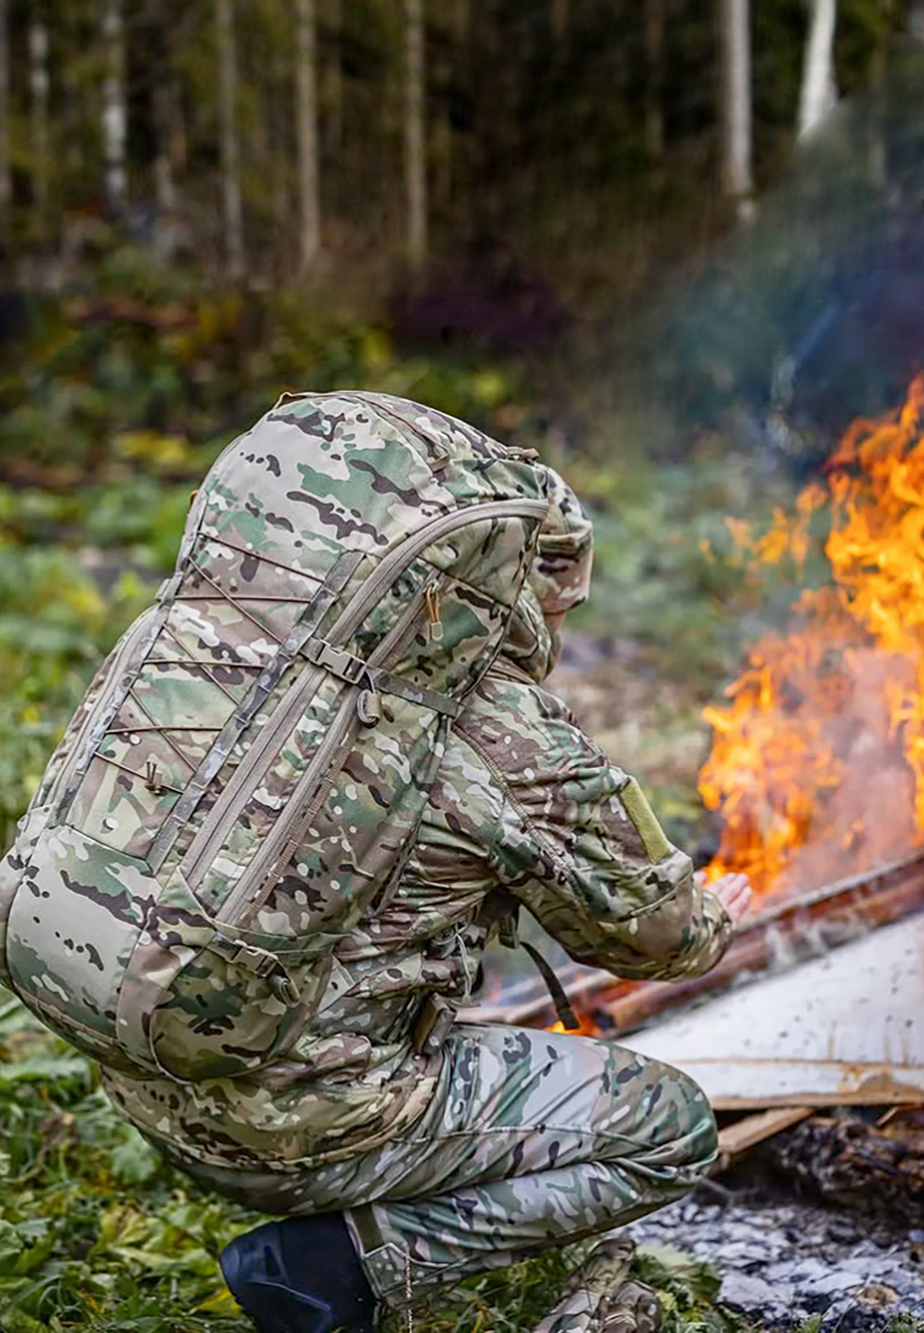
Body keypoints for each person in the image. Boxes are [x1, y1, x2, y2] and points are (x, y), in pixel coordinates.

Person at [101, 466, 752, 1333]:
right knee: (667, 1126)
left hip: (147, 1070)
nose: (564, 615)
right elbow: (657, 940)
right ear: (507, 584)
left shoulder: (236, 648)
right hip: (292, 1125)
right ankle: (336, 1267)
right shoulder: (502, 728)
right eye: (558, 589)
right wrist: (713, 912)